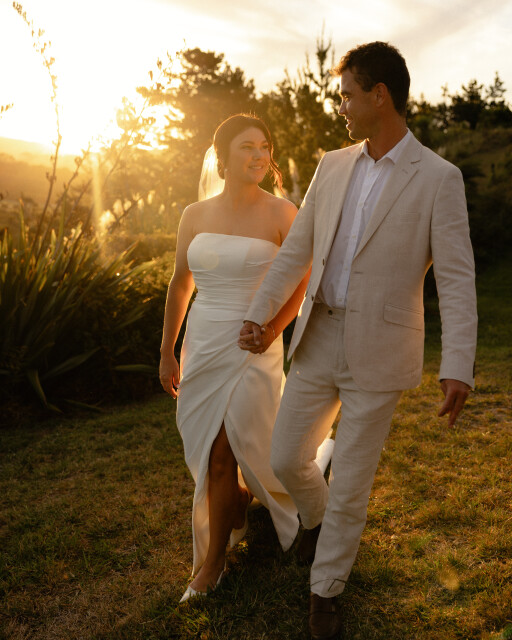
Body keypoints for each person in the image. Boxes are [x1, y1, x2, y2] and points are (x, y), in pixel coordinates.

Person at [239, 42, 477, 640]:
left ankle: (326, 589)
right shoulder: (332, 164)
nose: (340, 105)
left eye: (347, 95)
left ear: (380, 96)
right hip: (318, 334)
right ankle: (319, 524)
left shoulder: (439, 178)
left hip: (383, 347)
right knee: (285, 456)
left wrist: (459, 364)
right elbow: (297, 251)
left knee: (350, 479)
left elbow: (455, 277)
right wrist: (260, 314)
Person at [159, 114, 330, 604]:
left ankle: (212, 563)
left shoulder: (282, 213)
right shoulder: (194, 214)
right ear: (222, 157)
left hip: (254, 344)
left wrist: (273, 329)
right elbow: (180, 283)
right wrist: (168, 350)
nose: (259, 155)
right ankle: (236, 499)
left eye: (264, 146)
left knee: (223, 452)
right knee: (209, 449)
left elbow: (303, 281)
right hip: (203, 342)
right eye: (247, 147)